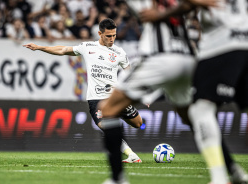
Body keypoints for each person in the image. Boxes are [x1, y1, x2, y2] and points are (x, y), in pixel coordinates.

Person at [23, 18, 143, 168]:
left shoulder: (119, 52)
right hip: (96, 99)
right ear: (100, 33)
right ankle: (131, 154)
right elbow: (62, 50)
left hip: (115, 97)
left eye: (114, 35)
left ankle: (129, 152)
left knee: (138, 123)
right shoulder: (88, 47)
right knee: (107, 127)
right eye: (108, 36)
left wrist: (139, 92)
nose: (112, 39)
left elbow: (129, 74)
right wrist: (40, 47)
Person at [98, 1, 196, 183]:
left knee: (108, 109)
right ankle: (228, 169)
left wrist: (158, 16)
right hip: (188, 57)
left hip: (160, 58)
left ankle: (118, 178)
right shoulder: (179, 4)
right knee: (196, 117)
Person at [183, 0, 248, 183]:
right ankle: (233, 171)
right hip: (244, 40)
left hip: (222, 43)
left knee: (201, 109)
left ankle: (219, 178)